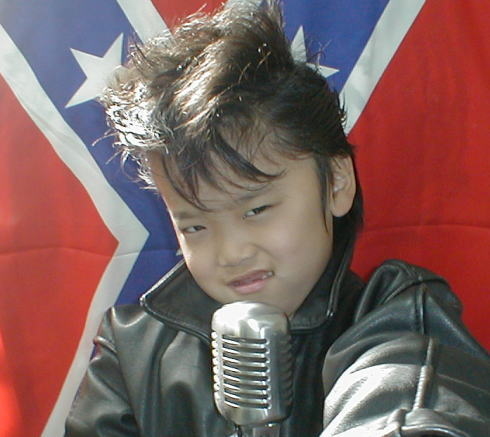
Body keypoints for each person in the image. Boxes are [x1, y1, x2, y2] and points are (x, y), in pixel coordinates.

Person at [64, 2, 490, 436]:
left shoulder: (400, 318)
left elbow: (408, 406)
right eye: (195, 226)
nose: (232, 252)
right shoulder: (133, 348)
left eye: (256, 210)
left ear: (337, 182)